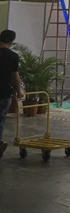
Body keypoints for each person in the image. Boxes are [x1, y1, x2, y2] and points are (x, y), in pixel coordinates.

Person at [0, 29, 23, 159]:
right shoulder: (13, 56)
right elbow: (15, 77)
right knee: (0, 119)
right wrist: (19, 91)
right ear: (11, 41)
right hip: (4, 93)